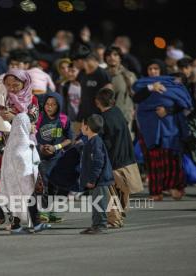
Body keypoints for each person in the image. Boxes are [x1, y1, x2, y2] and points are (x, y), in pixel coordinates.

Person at [0, 69, 40, 230]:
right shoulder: (0, 96)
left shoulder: (32, 100)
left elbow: (32, 121)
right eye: (8, 84)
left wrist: (13, 118)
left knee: (22, 181)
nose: (12, 88)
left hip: (20, 147)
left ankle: (18, 218)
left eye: (16, 84)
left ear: (25, 83)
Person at [132, 59, 193, 201]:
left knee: (171, 158)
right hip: (149, 128)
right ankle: (156, 191)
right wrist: (151, 87)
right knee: (154, 160)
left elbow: (184, 103)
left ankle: (175, 187)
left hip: (170, 128)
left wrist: (168, 110)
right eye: (150, 69)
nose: (153, 71)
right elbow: (136, 98)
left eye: (156, 69)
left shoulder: (173, 83)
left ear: (162, 70)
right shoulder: (143, 84)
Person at [95, 88, 143, 228]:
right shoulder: (118, 112)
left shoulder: (103, 119)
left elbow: (104, 143)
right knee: (123, 191)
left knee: (110, 192)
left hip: (113, 161)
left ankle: (114, 219)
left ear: (97, 102)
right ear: (113, 101)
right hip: (127, 158)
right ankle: (120, 215)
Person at [0, 113, 50, 234]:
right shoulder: (25, 144)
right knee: (29, 198)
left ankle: (16, 226)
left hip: (11, 182)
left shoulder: (9, 144)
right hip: (24, 179)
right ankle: (36, 224)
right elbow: (28, 163)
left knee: (15, 201)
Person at [36, 92, 74, 223]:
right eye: (47, 104)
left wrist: (56, 147)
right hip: (41, 158)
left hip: (57, 158)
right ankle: (43, 212)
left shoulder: (64, 119)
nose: (49, 107)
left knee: (55, 186)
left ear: (59, 106)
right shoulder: (38, 118)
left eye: (53, 105)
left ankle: (50, 212)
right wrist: (40, 147)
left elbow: (70, 139)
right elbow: (30, 136)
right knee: (43, 185)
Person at [79, 114, 114, 235]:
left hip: (99, 180)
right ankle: (95, 225)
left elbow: (98, 162)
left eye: (82, 125)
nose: (81, 127)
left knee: (99, 204)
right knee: (95, 203)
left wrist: (92, 179)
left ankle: (102, 225)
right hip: (96, 181)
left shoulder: (95, 142)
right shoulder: (92, 141)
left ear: (87, 127)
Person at [72, 47, 112, 122]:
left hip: (97, 117)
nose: (74, 65)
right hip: (82, 115)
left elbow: (109, 96)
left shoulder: (102, 74)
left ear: (80, 61)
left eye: (74, 62)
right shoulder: (81, 74)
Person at [105, 46, 137, 135]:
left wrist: (133, 112)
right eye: (108, 55)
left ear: (120, 57)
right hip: (105, 120)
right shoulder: (101, 75)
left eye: (115, 55)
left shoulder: (129, 76)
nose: (112, 57)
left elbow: (136, 97)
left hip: (125, 118)